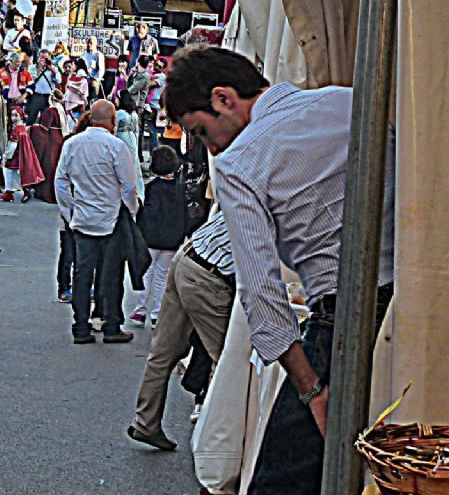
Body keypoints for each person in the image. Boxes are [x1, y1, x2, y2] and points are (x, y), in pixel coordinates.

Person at [164, 46, 395, 495]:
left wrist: (311, 391)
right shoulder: (346, 101)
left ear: (223, 98)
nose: (210, 148)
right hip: (410, 305)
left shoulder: (238, 163)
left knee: (280, 482)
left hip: (342, 324)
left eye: (203, 132)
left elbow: (261, 292)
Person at [128, 209, 235, 451]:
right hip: (210, 274)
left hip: (188, 256)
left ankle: (145, 423)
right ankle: (214, 444)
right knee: (226, 363)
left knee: (162, 353)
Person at [54, 99, 140, 345]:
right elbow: (128, 186)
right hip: (111, 219)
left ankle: (81, 326)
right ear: (112, 121)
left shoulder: (72, 144)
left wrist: (69, 211)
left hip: (82, 219)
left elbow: (61, 181)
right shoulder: (116, 147)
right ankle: (111, 325)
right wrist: (130, 211)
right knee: (111, 275)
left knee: (82, 275)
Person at [129, 146, 184, 328]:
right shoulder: (180, 187)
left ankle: (140, 310)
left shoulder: (151, 187)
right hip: (172, 240)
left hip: (151, 238)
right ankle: (157, 314)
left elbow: (145, 213)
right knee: (162, 277)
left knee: (146, 273)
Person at [1, 106, 43, 203]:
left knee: (9, 171)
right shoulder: (21, 127)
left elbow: (12, 146)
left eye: (16, 115)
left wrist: (5, 157)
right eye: (12, 115)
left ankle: (17, 191)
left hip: (16, 155)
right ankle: (12, 191)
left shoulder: (16, 129)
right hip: (21, 154)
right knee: (14, 173)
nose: (13, 118)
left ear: (21, 116)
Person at [29, 95, 66, 204]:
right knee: (55, 165)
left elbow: (43, 128)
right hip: (59, 138)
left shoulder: (50, 111)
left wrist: (32, 128)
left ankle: (46, 193)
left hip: (50, 140)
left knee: (48, 166)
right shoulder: (61, 111)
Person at [114, 90, 145, 203]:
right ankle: (139, 191)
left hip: (122, 138)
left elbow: (115, 129)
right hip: (132, 137)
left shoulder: (119, 113)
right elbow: (137, 130)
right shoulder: (134, 113)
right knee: (134, 163)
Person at [26, 51, 60, 124]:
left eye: (46, 58)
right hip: (35, 96)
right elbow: (31, 80)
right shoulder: (32, 68)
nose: (44, 60)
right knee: (31, 119)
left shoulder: (54, 68)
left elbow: (58, 81)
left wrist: (52, 70)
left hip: (48, 97)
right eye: (42, 58)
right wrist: (39, 69)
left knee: (46, 120)